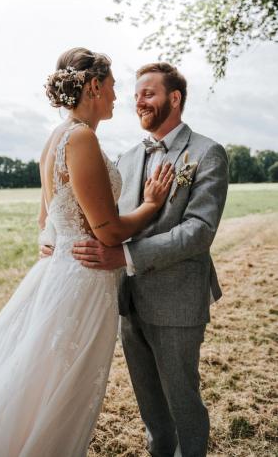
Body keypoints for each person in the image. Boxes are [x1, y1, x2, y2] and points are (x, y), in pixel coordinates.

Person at [0, 48, 175, 457]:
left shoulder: (55, 138)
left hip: (61, 271)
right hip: (81, 280)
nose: (117, 97)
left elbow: (45, 222)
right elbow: (108, 231)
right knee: (59, 387)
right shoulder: (82, 137)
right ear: (93, 86)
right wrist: (151, 205)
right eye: (113, 87)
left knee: (38, 379)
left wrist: (56, 240)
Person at [68, 62, 229, 456]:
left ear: (174, 98)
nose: (138, 101)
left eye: (149, 93)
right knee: (151, 411)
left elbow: (198, 232)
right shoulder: (125, 157)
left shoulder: (208, 153)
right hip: (127, 300)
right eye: (137, 94)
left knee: (183, 404)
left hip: (177, 302)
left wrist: (123, 254)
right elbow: (113, 220)